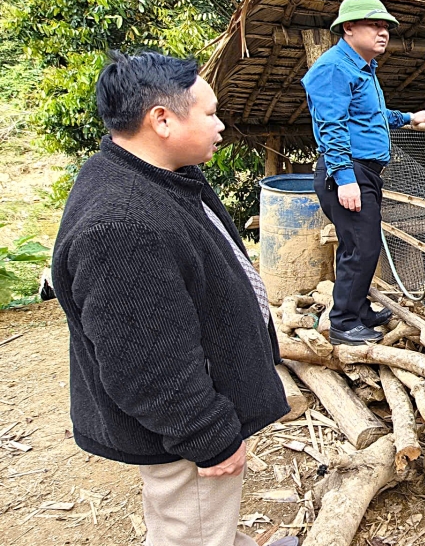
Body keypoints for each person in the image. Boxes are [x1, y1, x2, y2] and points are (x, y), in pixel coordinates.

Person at [51, 50, 293, 546]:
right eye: (209, 113)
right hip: (183, 428)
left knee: (206, 520)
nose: (220, 125)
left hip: (196, 404)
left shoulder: (153, 176)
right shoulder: (121, 226)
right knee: (192, 528)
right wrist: (207, 436)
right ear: (161, 119)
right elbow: (145, 363)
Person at [302, 0, 425, 346]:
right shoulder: (333, 68)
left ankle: (358, 310)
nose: (383, 32)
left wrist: (408, 118)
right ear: (348, 28)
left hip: (364, 172)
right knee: (362, 247)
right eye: (374, 24)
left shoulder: (362, 68)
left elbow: (373, 116)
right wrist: (345, 179)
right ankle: (343, 323)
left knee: (361, 244)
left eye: (386, 26)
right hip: (348, 173)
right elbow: (331, 125)